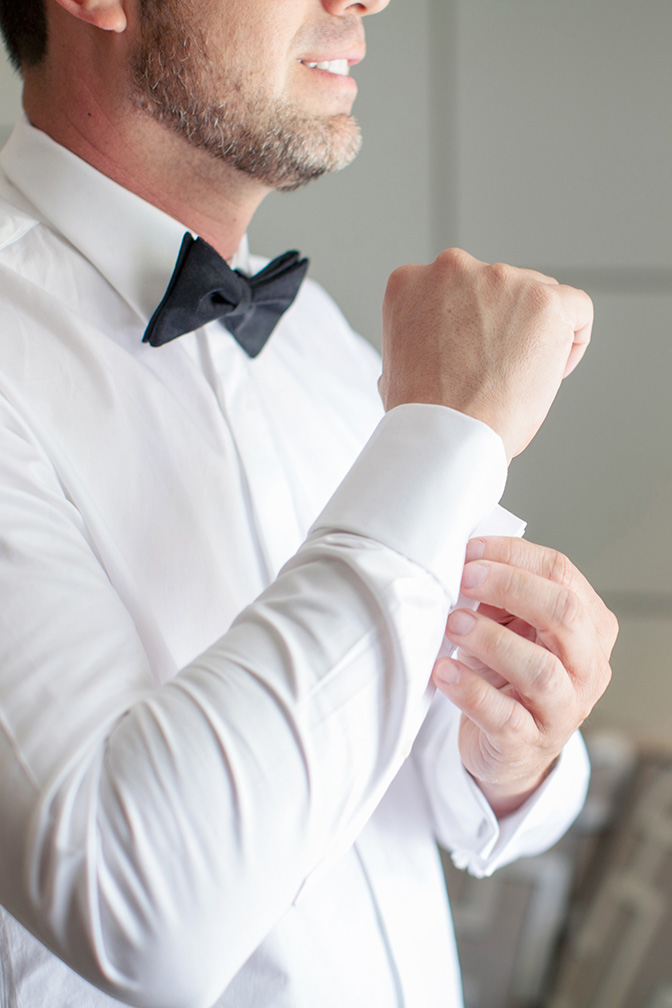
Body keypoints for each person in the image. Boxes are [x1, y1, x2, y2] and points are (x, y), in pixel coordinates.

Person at [0, 0, 617, 1005]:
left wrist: (519, 761)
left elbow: (436, 781)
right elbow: (139, 903)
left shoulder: (329, 347)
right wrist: (443, 437)